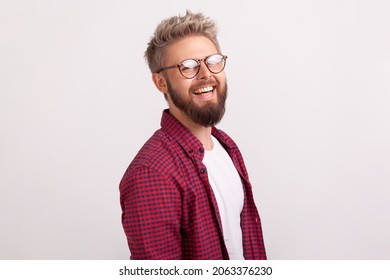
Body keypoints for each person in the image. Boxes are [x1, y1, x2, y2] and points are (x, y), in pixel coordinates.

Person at [119, 10, 266, 260]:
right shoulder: (152, 173)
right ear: (161, 83)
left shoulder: (226, 147)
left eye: (213, 61)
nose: (206, 74)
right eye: (188, 66)